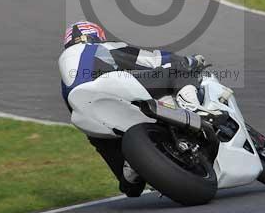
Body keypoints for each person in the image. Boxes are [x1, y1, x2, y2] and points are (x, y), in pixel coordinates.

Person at [57, 20, 206, 197]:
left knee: (130, 188)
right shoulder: (99, 48)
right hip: (108, 89)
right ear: (96, 36)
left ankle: (130, 170)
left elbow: (74, 106)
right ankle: (195, 109)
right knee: (178, 72)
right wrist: (186, 61)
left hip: (90, 119)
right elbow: (150, 59)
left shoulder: (65, 74)